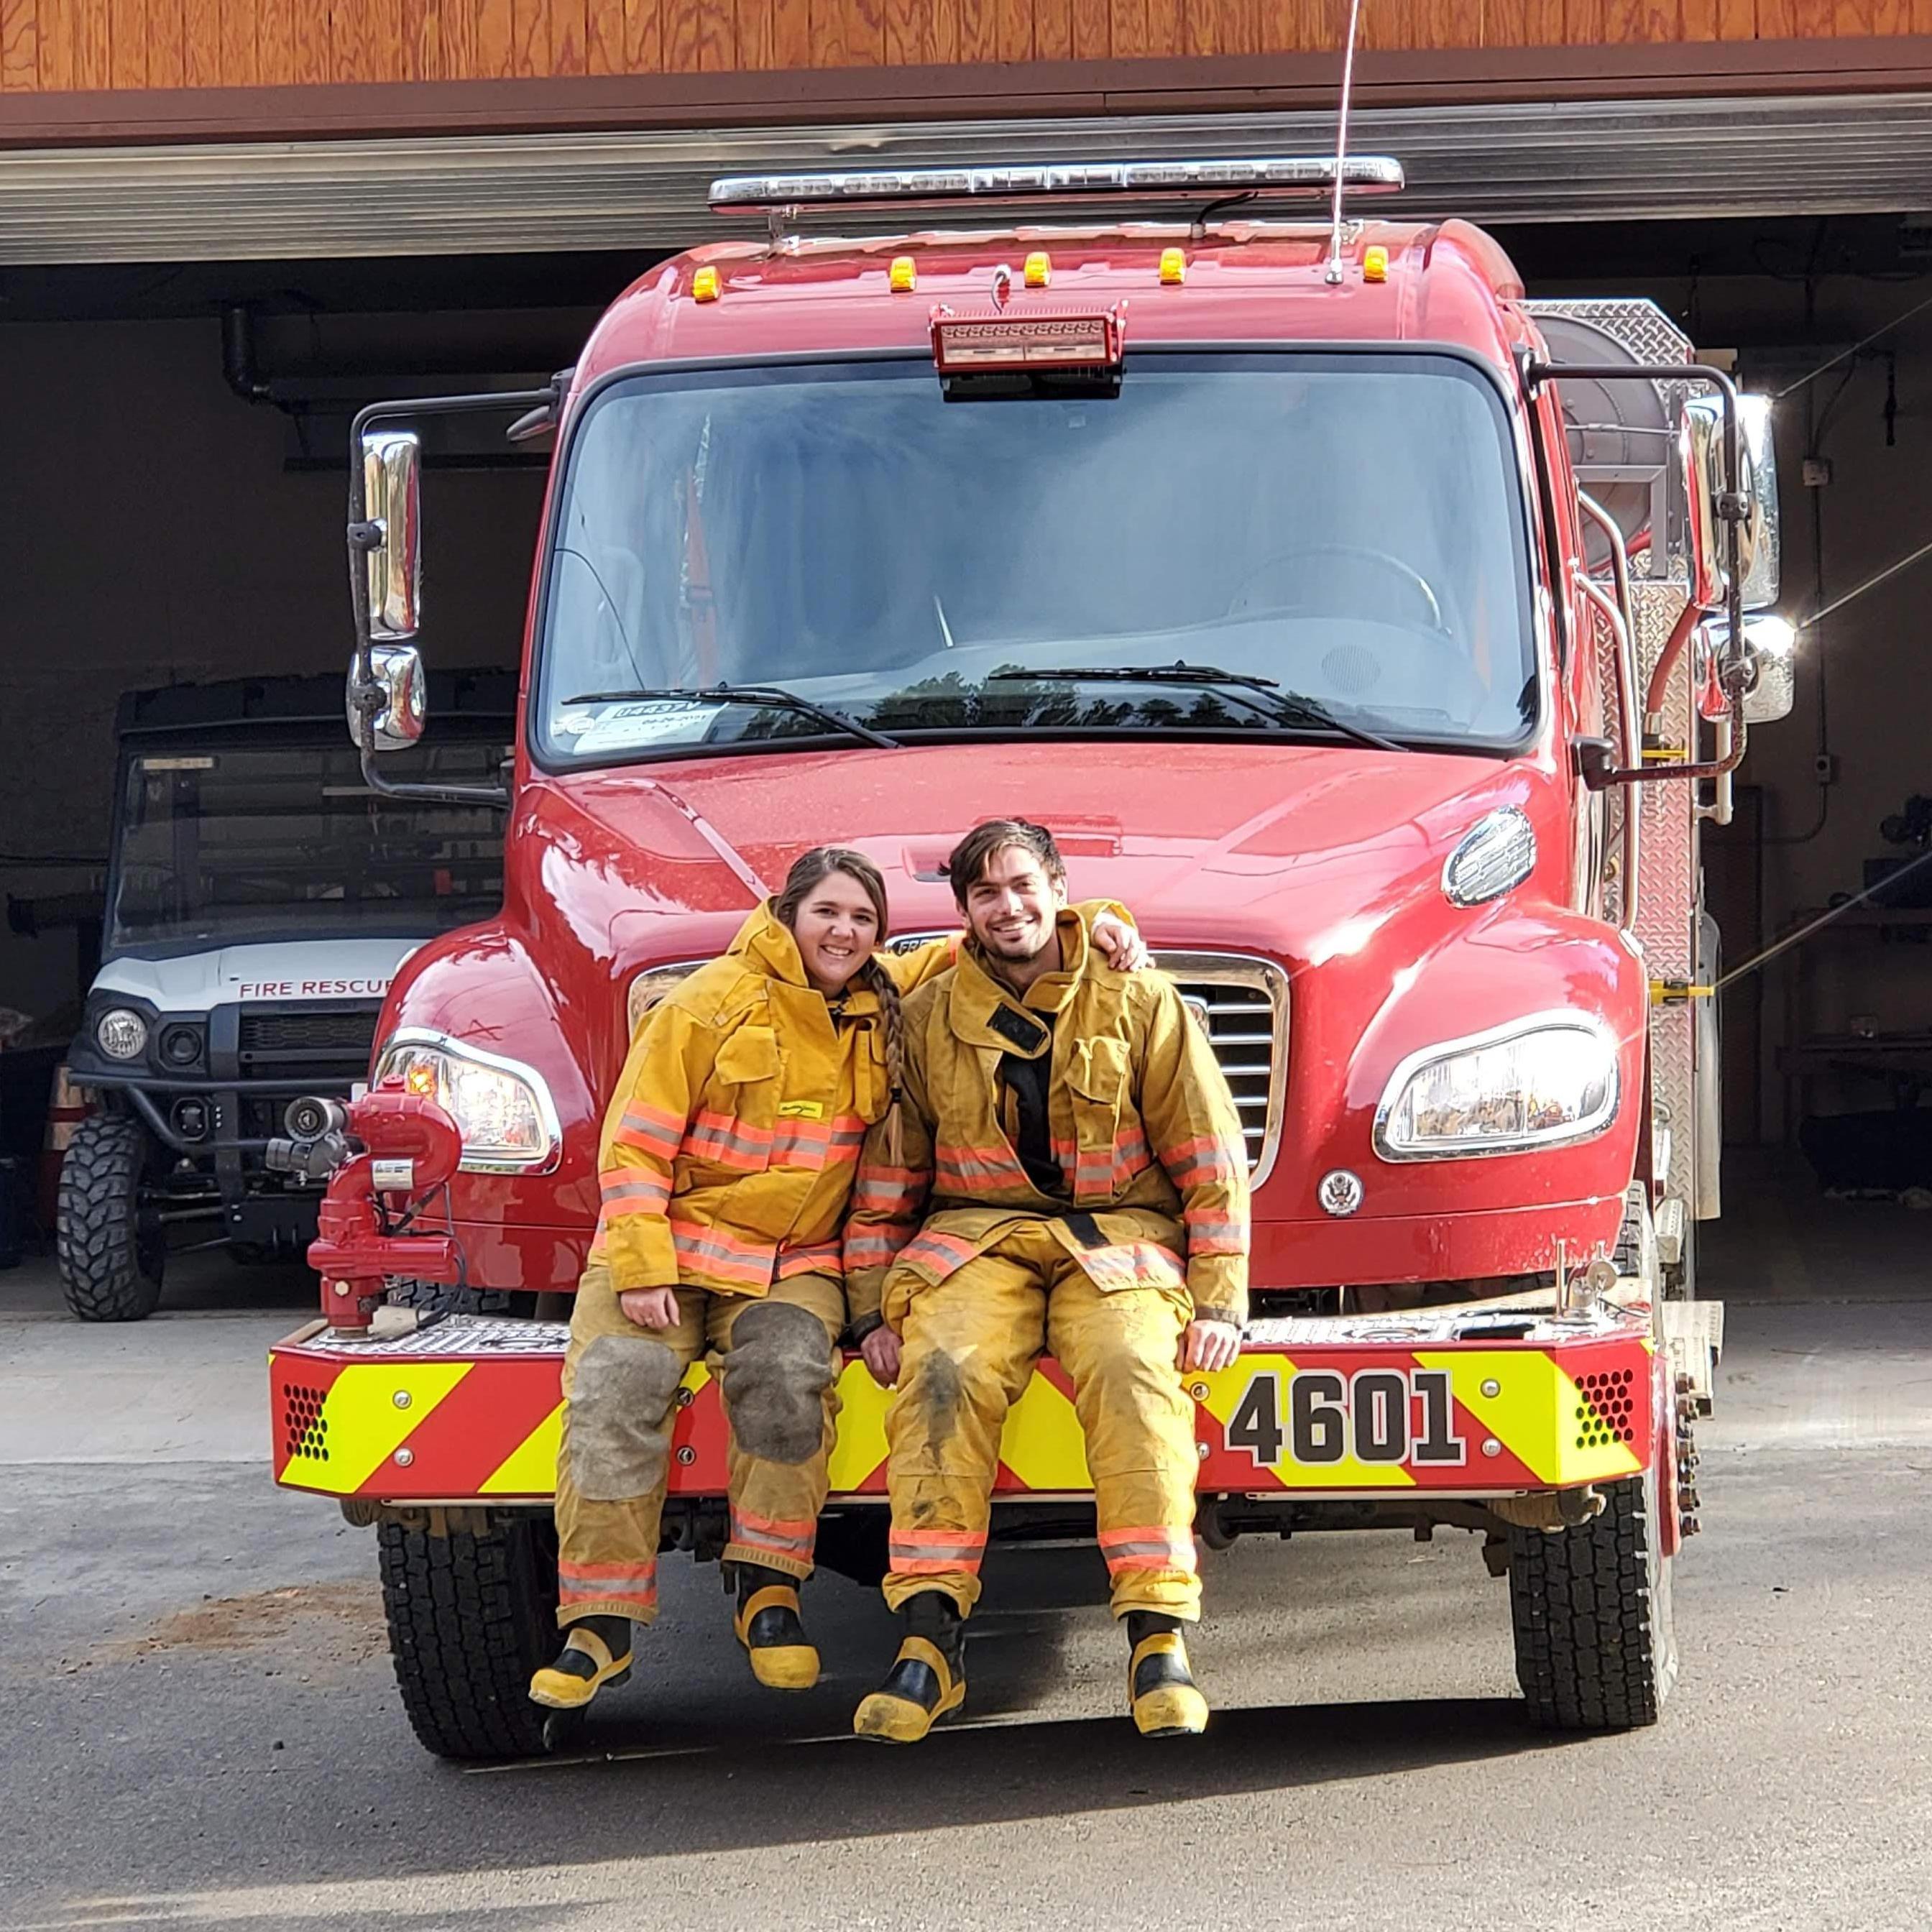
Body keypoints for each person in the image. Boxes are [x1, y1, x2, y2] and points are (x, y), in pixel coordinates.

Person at [530, 845, 1147, 1714]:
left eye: (862, 919)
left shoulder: (880, 996)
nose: (844, 932)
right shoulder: (704, 1005)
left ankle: (769, 1590)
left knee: (787, 1382)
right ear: (786, 913)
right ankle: (598, 1623)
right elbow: (634, 1145)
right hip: (665, 1256)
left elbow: (992, 937)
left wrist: (1106, 922)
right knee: (616, 1386)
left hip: (790, 1268)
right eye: (827, 913)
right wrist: (638, 1266)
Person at [843, 819, 1250, 1744]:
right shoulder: (925, 1010)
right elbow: (887, 1175)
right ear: (963, 913)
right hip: (974, 1244)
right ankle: (929, 1641)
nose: (1009, 907)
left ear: (1060, 887)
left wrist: (1220, 1296)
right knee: (940, 1372)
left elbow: (1207, 1157)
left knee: (1134, 1371)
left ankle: (1160, 1643)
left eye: (1024, 885)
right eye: (986, 894)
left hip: (1118, 1241)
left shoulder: (1141, 999)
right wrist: (871, 1308)